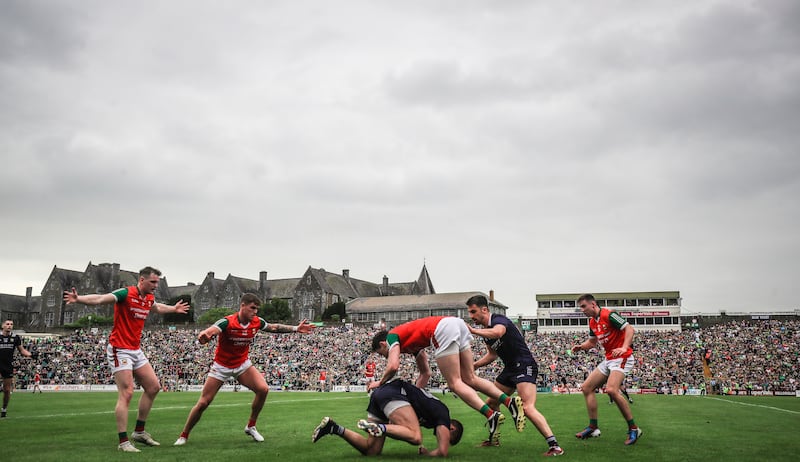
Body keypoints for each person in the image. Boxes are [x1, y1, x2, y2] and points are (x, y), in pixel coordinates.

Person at [63, 266, 190, 452]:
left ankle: (139, 432)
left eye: (157, 282)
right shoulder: (125, 293)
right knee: (127, 393)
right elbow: (100, 299)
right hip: (119, 349)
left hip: (135, 349)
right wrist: (78, 298)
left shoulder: (148, 298)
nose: (156, 285)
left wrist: (174, 308)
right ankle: (123, 442)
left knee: (154, 387)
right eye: (153, 282)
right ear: (141, 280)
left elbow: (157, 307)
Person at [174, 293, 315, 446]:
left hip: (242, 365)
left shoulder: (256, 322)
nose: (255, 312)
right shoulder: (227, 322)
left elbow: (274, 327)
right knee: (203, 403)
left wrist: (296, 328)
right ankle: (184, 435)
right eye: (252, 308)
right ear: (242, 306)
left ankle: (251, 426)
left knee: (263, 389)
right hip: (222, 366)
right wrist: (204, 335)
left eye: (257, 309)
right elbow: (211, 330)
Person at [370, 316, 523, 444]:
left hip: (441, 329)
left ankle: (491, 414)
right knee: (470, 378)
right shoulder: (410, 344)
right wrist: (415, 400)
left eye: (381, 353)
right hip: (457, 324)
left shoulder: (391, 337)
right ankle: (509, 402)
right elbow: (425, 373)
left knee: (455, 383)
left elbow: (393, 366)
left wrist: (379, 383)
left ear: (383, 344)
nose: (384, 356)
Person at [466, 295, 564, 456]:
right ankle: (494, 439)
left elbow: (498, 332)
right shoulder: (485, 332)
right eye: (469, 312)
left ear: (484, 309)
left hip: (524, 364)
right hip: (510, 368)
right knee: (491, 403)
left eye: (473, 311)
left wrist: (473, 331)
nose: (471, 316)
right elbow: (492, 355)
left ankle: (555, 446)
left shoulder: (499, 319)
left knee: (527, 407)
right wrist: (475, 364)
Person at [312, 378, 463, 457]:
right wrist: (428, 454)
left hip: (383, 396)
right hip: (395, 393)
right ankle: (380, 428)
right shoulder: (443, 413)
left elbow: (401, 426)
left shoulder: (430, 417)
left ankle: (334, 428)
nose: (440, 438)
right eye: (447, 437)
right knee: (416, 437)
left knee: (372, 450)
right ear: (451, 427)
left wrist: (389, 426)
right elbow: (442, 452)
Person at [571, 294, 642, 446]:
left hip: (623, 357)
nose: (582, 310)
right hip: (609, 359)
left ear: (593, 304)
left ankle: (634, 428)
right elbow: (592, 342)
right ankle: (593, 427)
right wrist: (581, 347)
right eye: (580, 307)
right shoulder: (592, 322)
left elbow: (629, 328)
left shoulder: (609, 315)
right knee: (586, 388)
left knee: (611, 390)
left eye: (583, 306)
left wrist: (624, 347)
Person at [1, 320, 33, 418]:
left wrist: (31, 355)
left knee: (6, 390)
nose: (9, 326)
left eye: (11, 324)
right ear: (2, 326)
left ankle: (4, 409)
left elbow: (22, 350)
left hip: (7, 366)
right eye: (7, 324)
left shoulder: (15, 338)